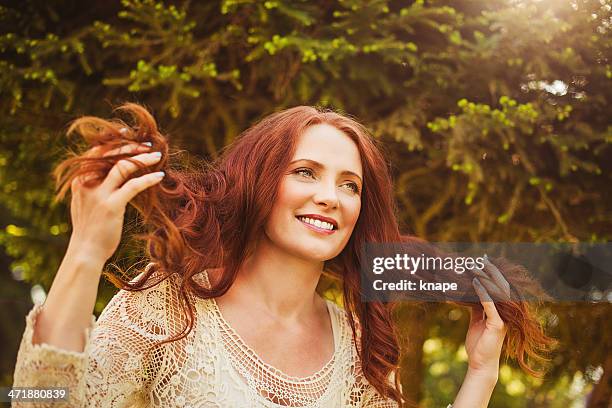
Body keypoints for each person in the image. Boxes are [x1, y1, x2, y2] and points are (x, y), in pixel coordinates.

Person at [12, 104, 553, 407]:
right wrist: (85, 252)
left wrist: (480, 374)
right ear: (258, 183)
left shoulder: (360, 346)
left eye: (350, 185)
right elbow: (41, 401)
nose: (330, 196)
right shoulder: (170, 307)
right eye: (305, 172)